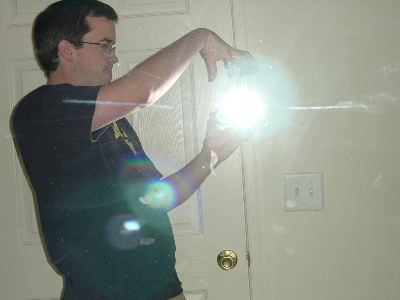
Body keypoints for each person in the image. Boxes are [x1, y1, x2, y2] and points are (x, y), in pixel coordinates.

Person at [11, 0, 257, 299]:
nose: (114, 57)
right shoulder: (42, 110)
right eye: (105, 45)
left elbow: (155, 199)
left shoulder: (115, 123)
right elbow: (143, 91)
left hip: (162, 288)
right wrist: (200, 37)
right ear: (67, 50)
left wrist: (211, 155)